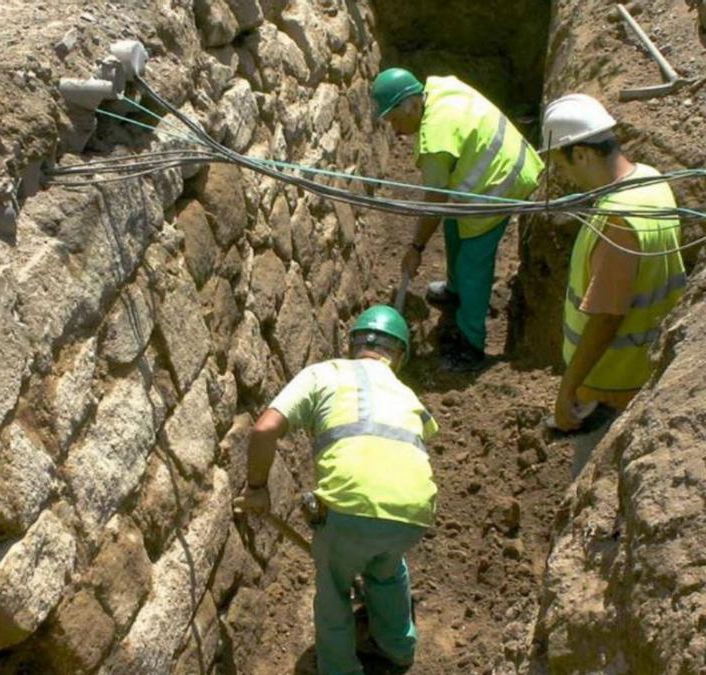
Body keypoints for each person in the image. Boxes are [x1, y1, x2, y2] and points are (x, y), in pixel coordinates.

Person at [235, 305, 438, 674]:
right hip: (412, 515)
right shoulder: (408, 395)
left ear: (353, 345)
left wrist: (257, 488)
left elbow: (264, 429)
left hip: (347, 515)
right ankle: (399, 647)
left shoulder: (323, 374)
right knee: (388, 569)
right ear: (400, 355)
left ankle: (341, 668)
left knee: (333, 588)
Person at [372, 68, 545, 371]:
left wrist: (416, 247)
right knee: (455, 227)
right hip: (503, 161)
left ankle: (470, 345)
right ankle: (454, 292)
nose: (395, 130)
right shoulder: (439, 89)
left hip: (500, 184)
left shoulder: (436, 142)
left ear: (413, 105)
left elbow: (434, 202)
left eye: (396, 119)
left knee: (472, 264)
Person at [539, 94, 686, 438]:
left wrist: (568, 387)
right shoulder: (652, 180)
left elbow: (606, 317)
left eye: (564, 166)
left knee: (591, 474)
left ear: (581, 154)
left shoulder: (618, 221)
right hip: (645, 367)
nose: (567, 177)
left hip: (611, 383)